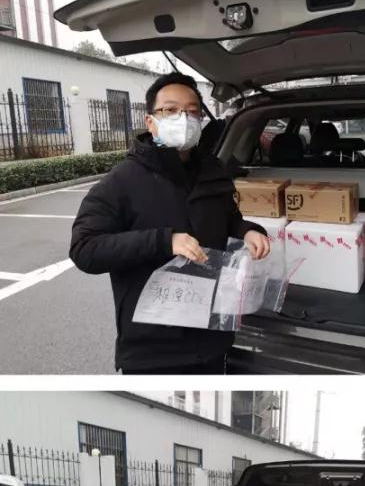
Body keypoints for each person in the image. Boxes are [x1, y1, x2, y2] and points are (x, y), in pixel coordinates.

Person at [69, 72, 271, 374]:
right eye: (170, 110)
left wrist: (248, 231)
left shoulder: (213, 171)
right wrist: (164, 241)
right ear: (151, 122)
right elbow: (84, 249)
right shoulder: (122, 181)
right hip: (153, 352)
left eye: (192, 112)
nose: (183, 119)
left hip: (211, 339)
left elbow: (228, 219)